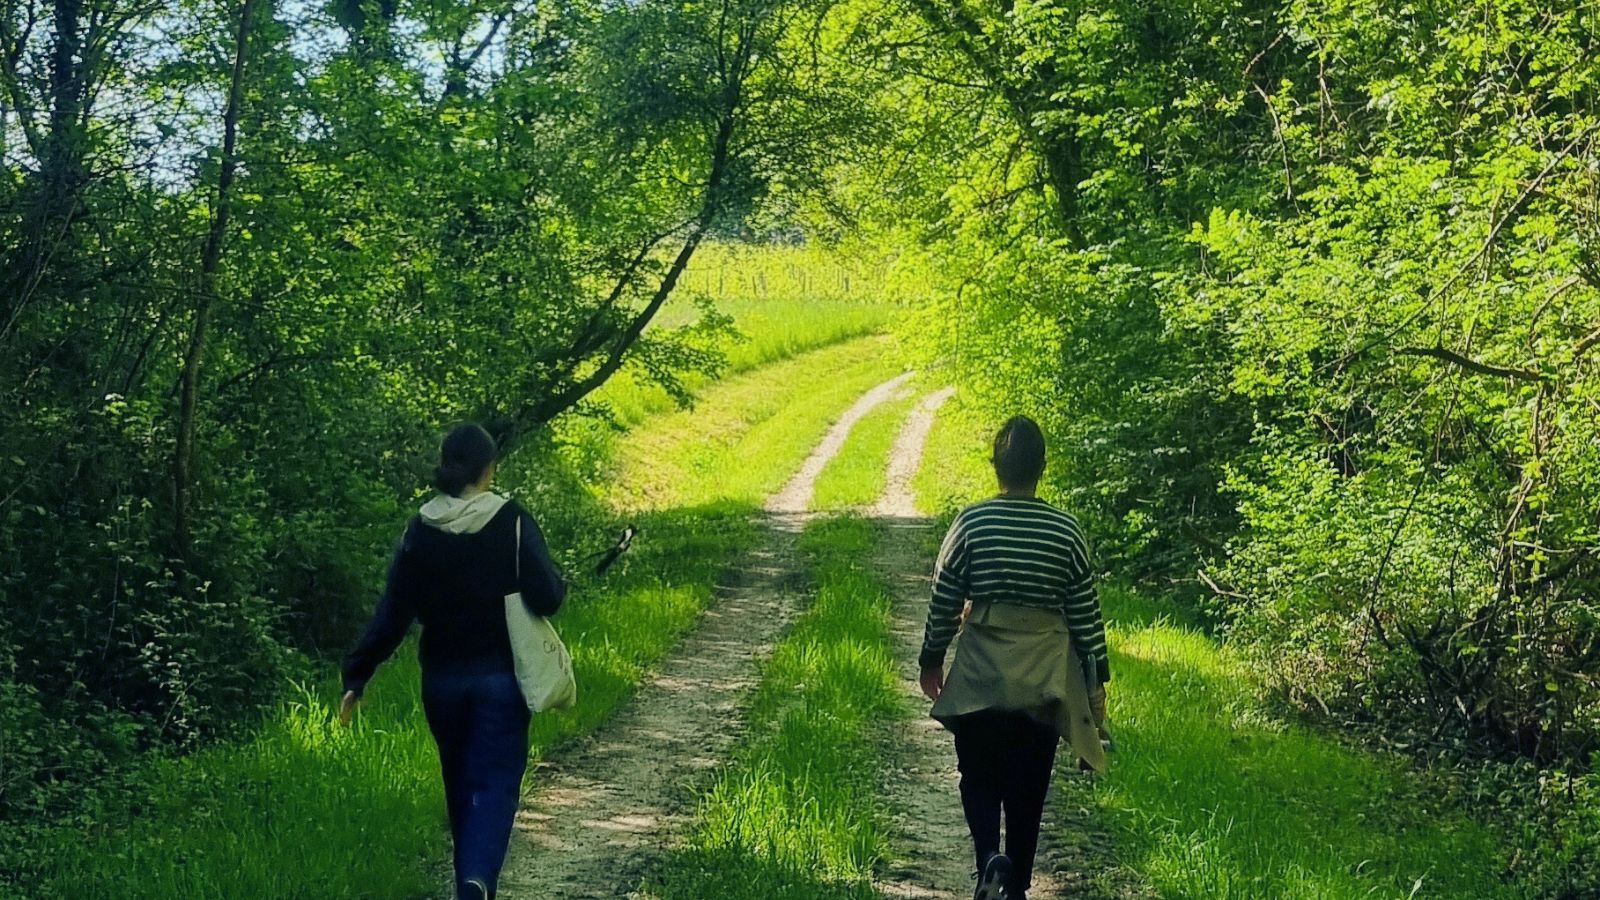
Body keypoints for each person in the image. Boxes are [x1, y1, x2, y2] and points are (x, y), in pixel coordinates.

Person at [340, 423, 566, 900]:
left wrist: (358, 673)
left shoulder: (420, 528)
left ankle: (471, 880)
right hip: (501, 681)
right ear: (489, 468)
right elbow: (547, 598)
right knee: (495, 784)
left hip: (441, 682)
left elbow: (393, 611)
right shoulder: (511, 520)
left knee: (460, 783)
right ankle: (476, 881)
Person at [919, 415, 1110, 900]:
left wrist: (932, 658)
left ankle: (989, 859)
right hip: (1042, 681)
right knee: (1029, 788)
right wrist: (1096, 682)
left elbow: (945, 596)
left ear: (995, 467)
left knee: (977, 776)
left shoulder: (972, 522)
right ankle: (1018, 886)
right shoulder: (1066, 531)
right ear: (1042, 468)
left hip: (982, 673)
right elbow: (1087, 616)